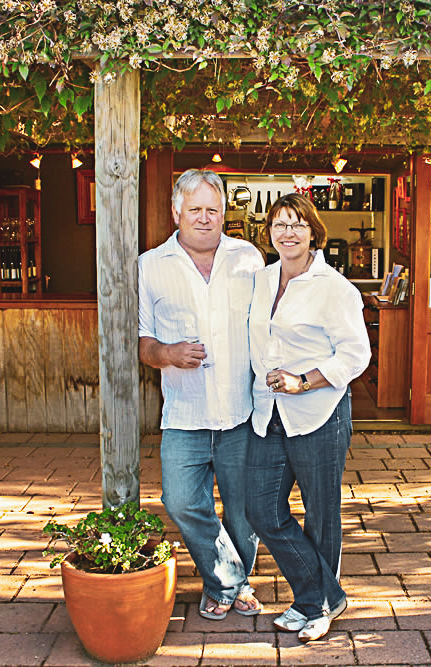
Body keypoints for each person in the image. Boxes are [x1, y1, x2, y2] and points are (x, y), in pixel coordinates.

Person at [138, 169, 264, 620]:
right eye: (196, 210)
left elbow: (271, 326)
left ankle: (223, 589)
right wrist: (168, 353)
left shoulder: (248, 259)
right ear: (177, 212)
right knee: (181, 501)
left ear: (224, 212)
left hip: (241, 413)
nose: (205, 218)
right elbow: (142, 342)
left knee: (244, 513)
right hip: (184, 414)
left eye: (213, 209)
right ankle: (232, 582)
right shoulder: (151, 265)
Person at [245, 193, 371, 642]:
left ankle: (312, 604)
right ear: (270, 234)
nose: (288, 232)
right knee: (259, 508)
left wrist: (305, 380)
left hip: (319, 413)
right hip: (268, 412)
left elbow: (357, 355)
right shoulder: (260, 281)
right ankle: (326, 594)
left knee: (321, 513)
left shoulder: (335, 288)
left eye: (297, 223)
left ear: (314, 231)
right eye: (279, 224)